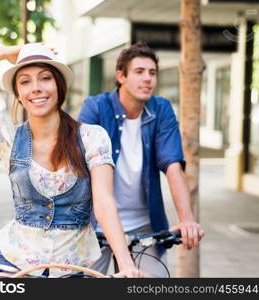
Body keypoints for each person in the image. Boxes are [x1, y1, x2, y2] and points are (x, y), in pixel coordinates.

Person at [0, 43, 144, 278]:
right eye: (25, 81)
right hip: (11, 264)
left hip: (71, 270)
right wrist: (2, 52)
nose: (36, 88)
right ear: (18, 95)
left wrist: (126, 264)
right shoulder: (8, 138)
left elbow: (104, 203)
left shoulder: (92, 137)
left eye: (45, 78)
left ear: (59, 86)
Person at [78, 41, 204, 277]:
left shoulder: (161, 110)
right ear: (121, 76)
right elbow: (79, 165)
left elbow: (172, 164)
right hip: (95, 225)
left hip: (144, 226)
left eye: (152, 72)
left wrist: (187, 220)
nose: (147, 78)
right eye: (139, 72)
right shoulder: (95, 108)